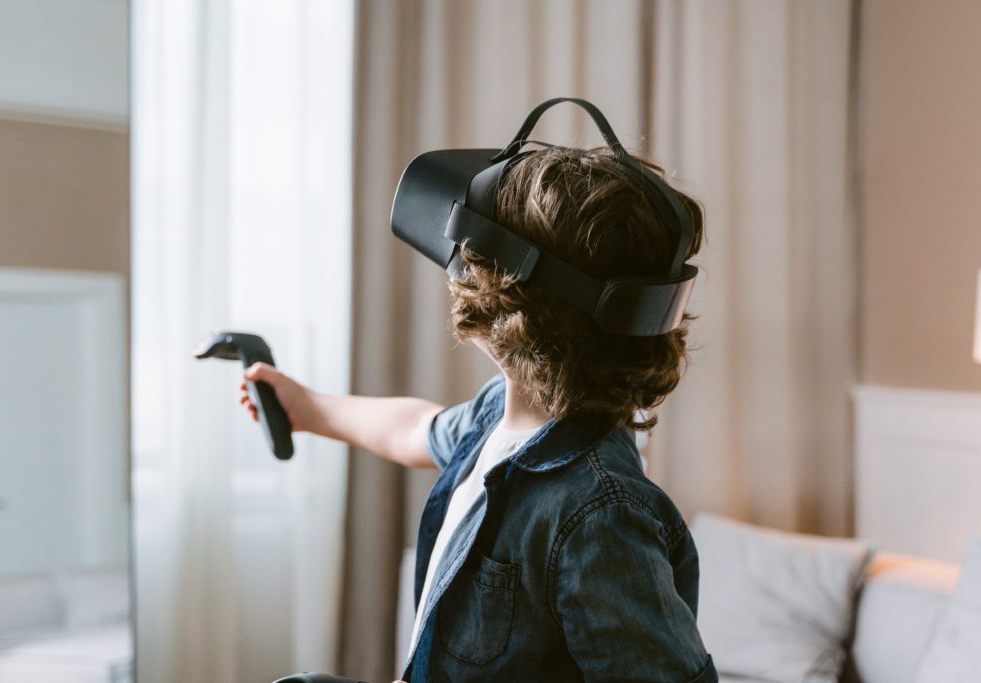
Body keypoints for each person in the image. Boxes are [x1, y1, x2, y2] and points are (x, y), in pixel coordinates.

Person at [241, 145, 717, 682]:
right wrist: (306, 407)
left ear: (507, 299)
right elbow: (414, 430)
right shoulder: (503, 414)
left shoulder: (599, 513)